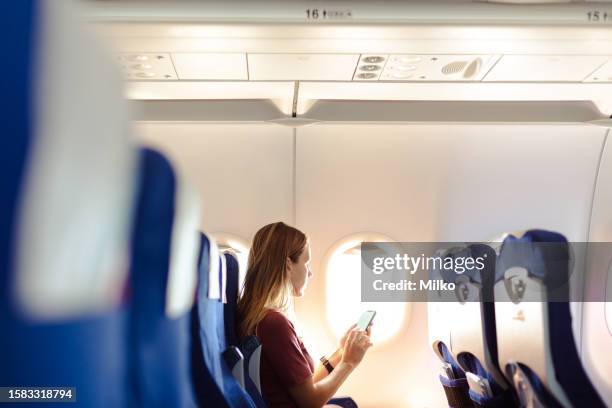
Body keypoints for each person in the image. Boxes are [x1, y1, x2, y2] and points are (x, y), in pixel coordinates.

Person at [236, 222, 372, 408]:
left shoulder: (261, 316)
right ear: (288, 265)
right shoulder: (274, 323)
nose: (310, 273)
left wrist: (341, 352)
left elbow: (303, 386)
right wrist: (349, 362)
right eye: (306, 263)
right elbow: (311, 401)